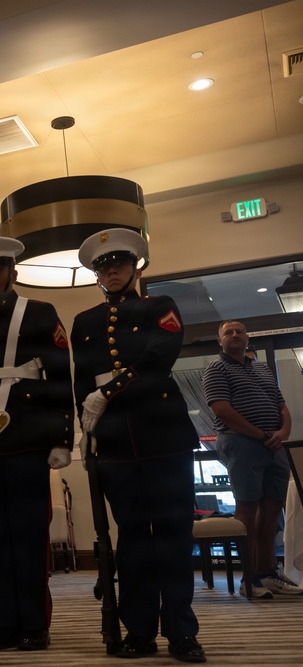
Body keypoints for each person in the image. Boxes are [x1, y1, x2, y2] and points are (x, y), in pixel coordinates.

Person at [72, 228, 205, 662]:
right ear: (96, 275)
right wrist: (85, 430)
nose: (112, 272)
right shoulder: (84, 322)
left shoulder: (160, 307)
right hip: (113, 443)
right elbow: (80, 381)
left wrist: (106, 392)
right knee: (131, 540)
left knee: (172, 536)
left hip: (164, 436)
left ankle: (181, 633)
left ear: (136, 268)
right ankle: (139, 631)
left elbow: (157, 358)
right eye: (104, 267)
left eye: (120, 264)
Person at [0, 231, 73, 652]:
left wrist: (62, 436)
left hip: (27, 436)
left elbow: (59, 375)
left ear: (12, 272)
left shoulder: (40, 312)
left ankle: (35, 623)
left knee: (28, 534)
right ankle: (4, 622)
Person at [202, 320, 299, 598]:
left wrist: (283, 432)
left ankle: (267, 572)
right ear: (220, 341)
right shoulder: (216, 368)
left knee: (272, 510)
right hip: (240, 442)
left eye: (239, 331)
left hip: (274, 446)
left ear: (247, 338)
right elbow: (222, 409)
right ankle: (249, 578)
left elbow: (282, 406)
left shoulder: (261, 368)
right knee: (247, 509)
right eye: (228, 332)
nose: (234, 335)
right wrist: (261, 434)